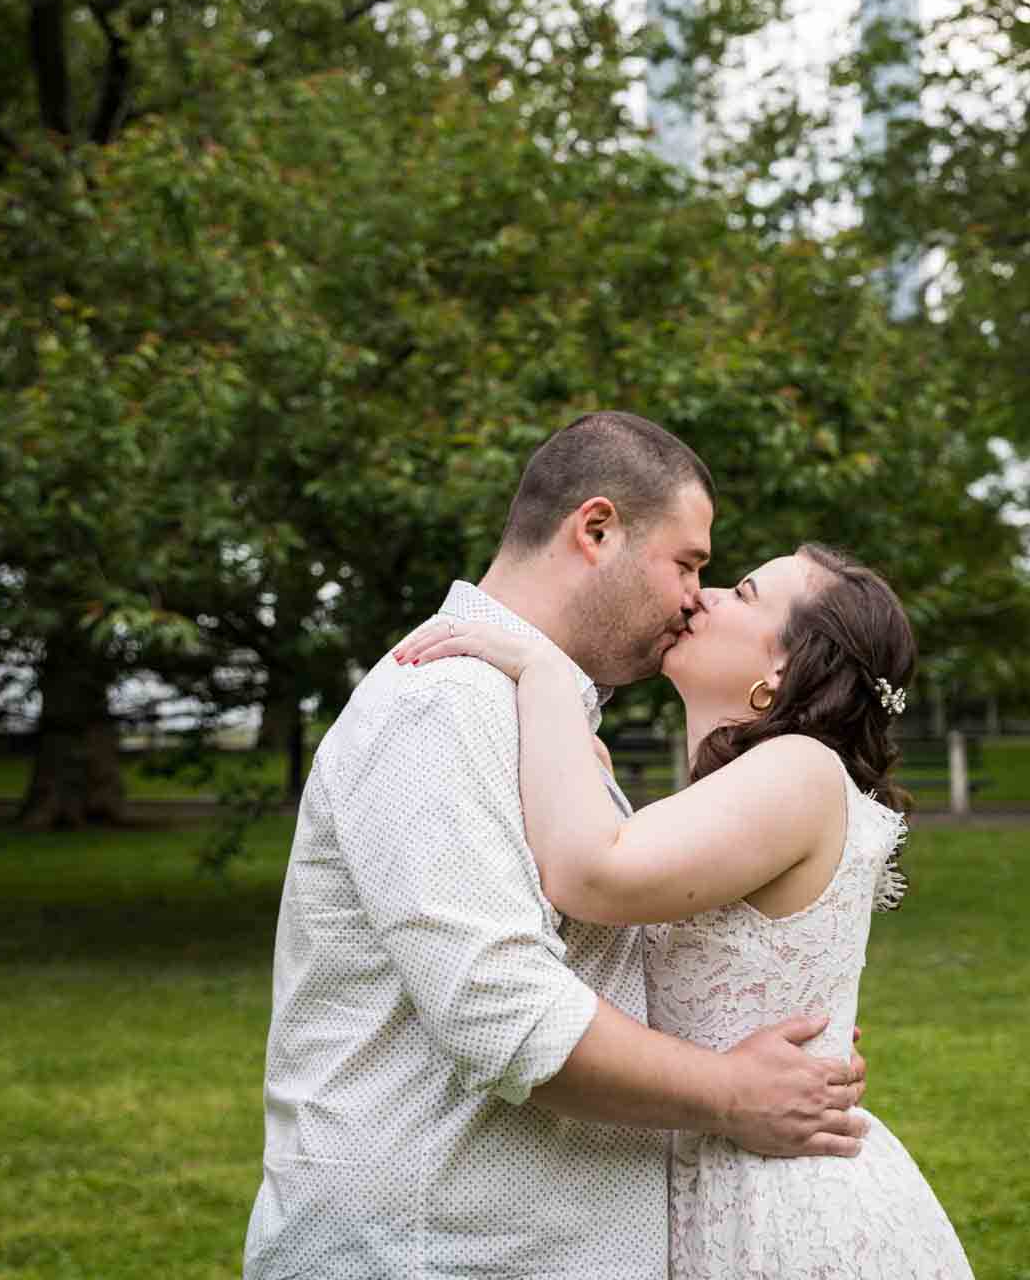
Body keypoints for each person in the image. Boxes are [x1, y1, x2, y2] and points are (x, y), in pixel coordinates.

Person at [243, 412, 868, 1280]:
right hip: (434, 1250)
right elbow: (498, 1007)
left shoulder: (541, 723)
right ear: (597, 529)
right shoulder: (445, 701)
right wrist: (732, 1091)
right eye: (687, 563)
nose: (697, 595)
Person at [397, 541, 977, 1280]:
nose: (703, 597)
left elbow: (590, 875)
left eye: (743, 592)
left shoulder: (798, 768)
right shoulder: (739, 792)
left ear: (781, 670)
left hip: (772, 1205)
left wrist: (545, 673)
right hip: (700, 1169)